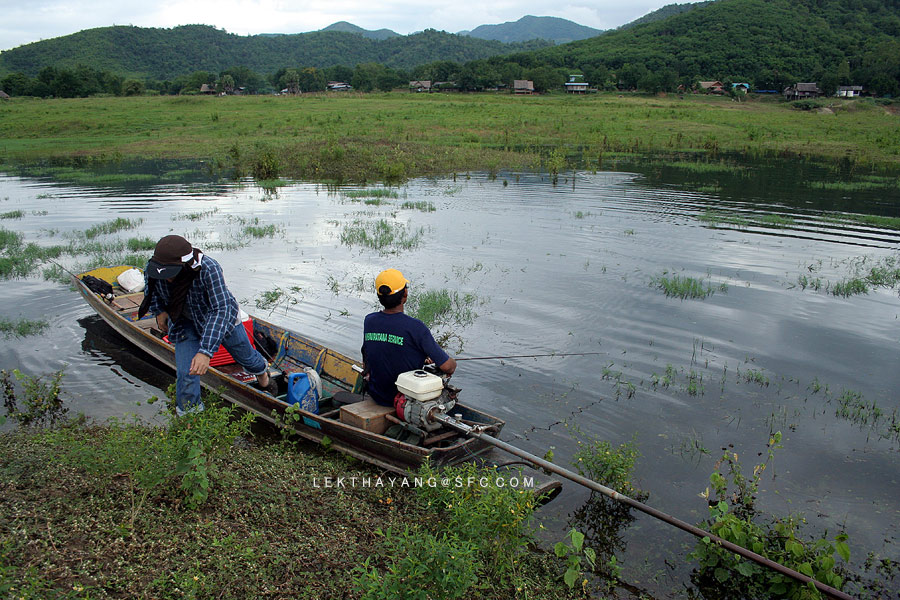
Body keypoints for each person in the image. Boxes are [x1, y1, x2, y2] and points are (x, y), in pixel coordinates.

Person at [137, 235, 272, 416]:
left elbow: (220, 309)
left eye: (171, 272)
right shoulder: (154, 267)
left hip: (220, 320)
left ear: (185, 265)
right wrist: (159, 311)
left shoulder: (209, 269)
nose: (167, 279)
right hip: (184, 321)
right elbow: (150, 289)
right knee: (187, 374)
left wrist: (205, 351)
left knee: (246, 358)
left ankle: (262, 373)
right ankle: (190, 419)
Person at [361, 268, 456, 407]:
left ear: (379, 296)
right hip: (404, 402)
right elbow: (448, 367)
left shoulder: (369, 320)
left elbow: (371, 353)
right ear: (405, 294)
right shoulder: (416, 327)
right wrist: (453, 363)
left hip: (377, 395)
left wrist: (419, 356)